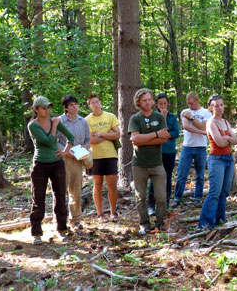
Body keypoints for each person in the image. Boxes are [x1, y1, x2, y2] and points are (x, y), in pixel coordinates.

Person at [28, 96, 74, 245]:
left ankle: (61, 229)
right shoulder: (33, 125)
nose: (47, 111)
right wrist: (54, 125)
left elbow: (71, 136)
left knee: (60, 196)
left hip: (57, 164)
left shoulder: (54, 121)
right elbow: (48, 141)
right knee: (38, 198)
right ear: (36, 109)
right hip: (40, 164)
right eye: (43, 108)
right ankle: (36, 233)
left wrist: (65, 151)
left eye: (48, 107)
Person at [128, 88, 170, 234]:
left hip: (157, 163)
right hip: (139, 164)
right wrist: (155, 135)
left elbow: (164, 139)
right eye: (144, 100)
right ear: (138, 102)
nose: (148, 103)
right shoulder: (135, 119)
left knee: (161, 197)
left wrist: (144, 139)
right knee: (140, 197)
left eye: (149, 99)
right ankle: (144, 223)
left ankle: (160, 223)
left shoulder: (159, 117)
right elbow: (135, 139)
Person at [198, 95, 237, 229]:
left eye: (221, 104)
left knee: (224, 192)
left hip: (228, 159)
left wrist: (226, 137)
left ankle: (220, 219)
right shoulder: (211, 123)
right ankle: (205, 223)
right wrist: (229, 138)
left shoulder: (225, 122)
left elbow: (236, 140)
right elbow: (220, 143)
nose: (219, 108)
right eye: (216, 105)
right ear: (211, 108)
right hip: (217, 160)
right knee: (215, 192)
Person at [171, 92, 212, 208]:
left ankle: (197, 198)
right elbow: (186, 127)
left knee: (200, 174)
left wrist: (192, 118)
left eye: (191, 103)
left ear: (197, 101)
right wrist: (202, 132)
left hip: (201, 147)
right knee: (181, 174)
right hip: (187, 146)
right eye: (188, 103)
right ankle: (177, 198)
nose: (189, 106)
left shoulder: (206, 112)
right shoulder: (185, 112)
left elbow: (204, 126)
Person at [58, 95, 92, 231]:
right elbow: (55, 141)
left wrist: (85, 147)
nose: (75, 107)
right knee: (61, 191)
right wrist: (66, 151)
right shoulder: (59, 121)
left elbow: (88, 139)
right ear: (66, 108)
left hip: (78, 160)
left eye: (76, 104)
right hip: (63, 160)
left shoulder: (83, 122)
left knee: (76, 191)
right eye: (71, 105)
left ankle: (76, 220)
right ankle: (60, 221)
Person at [85, 94, 120, 222]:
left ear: (100, 103)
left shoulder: (110, 116)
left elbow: (117, 134)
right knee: (97, 184)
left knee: (112, 185)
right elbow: (90, 140)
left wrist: (99, 134)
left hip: (110, 155)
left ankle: (113, 212)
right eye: (92, 103)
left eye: (97, 101)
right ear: (89, 106)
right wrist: (107, 135)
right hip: (95, 157)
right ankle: (100, 214)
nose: (95, 104)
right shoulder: (87, 120)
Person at [148, 93, 179, 215]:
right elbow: (153, 132)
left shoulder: (172, 117)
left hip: (170, 151)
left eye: (165, 103)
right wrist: (162, 120)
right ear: (156, 104)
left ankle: (165, 204)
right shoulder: (153, 116)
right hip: (156, 152)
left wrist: (165, 133)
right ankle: (151, 205)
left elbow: (176, 132)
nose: (163, 106)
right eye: (160, 104)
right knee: (155, 177)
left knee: (167, 177)